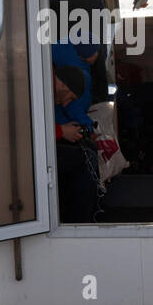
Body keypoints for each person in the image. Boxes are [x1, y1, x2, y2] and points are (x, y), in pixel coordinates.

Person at [52, 60, 100, 223]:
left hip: (48, 143)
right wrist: (61, 131)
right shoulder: (41, 87)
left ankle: (86, 215)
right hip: (32, 151)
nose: (66, 103)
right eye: (69, 97)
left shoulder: (55, 93)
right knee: (86, 160)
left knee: (90, 147)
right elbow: (27, 125)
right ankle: (81, 222)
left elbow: (72, 109)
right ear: (65, 86)